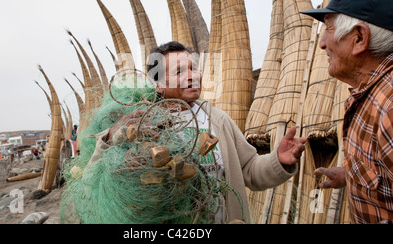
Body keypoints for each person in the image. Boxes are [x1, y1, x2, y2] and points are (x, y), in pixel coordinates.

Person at [92, 41, 306, 224]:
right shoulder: (141, 124)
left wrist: (278, 160)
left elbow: (249, 170)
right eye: (179, 72)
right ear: (158, 85)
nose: (192, 76)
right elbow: (104, 177)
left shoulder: (218, 120)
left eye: (194, 68)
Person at [301, 0, 393, 224]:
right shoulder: (368, 95)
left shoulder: (390, 107)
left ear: (359, 38)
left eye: (329, 28)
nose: (322, 43)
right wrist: (350, 174)